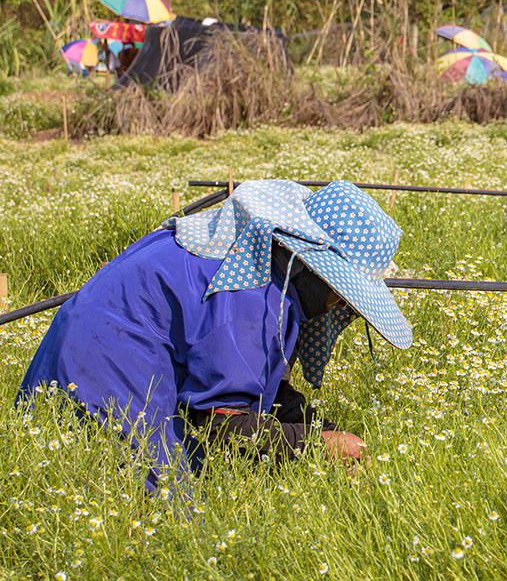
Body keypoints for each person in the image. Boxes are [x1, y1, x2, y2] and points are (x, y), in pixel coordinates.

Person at [18, 180, 413, 493]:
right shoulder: (249, 297)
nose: (338, 306)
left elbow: (256, 383)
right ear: (311, 269)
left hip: (89, 346)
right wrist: (317, 446)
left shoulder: (257, 264)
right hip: (105, 370)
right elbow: (225, 426)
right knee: (165, 513)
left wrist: (313, 426)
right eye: (341, 293)